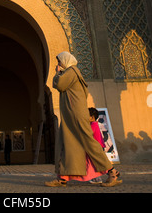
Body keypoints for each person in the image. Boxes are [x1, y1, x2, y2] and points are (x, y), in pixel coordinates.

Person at [45, 52, 122, 188]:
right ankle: (63, 178)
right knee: (68, 145)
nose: (58, 65)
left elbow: (59, 84)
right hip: (70, 116)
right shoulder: (71, 73)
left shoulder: (72, 71)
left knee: (89, 143)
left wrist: (57, 73)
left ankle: (112, 172)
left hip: (76, 115)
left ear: (66, 61)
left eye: (59, 62)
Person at [88, 107, 106, 184]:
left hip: (96, 147)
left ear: (92, 117)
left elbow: (89, 134)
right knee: (94, 163)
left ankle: (97, 178)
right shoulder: (93, 124)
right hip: (98, 146)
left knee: (94, 163)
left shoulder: (93, 125)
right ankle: (95, 178)